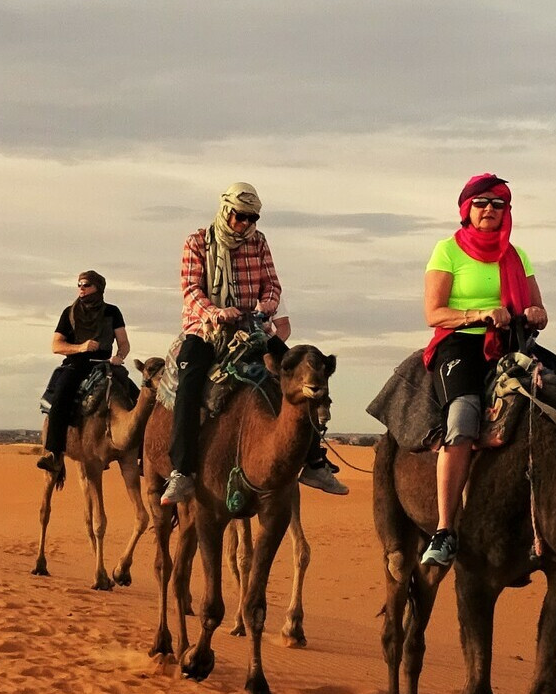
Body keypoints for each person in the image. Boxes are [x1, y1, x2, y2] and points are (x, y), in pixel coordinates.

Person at [414, 173, 556, 567]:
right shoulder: (447, 251)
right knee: (462, 416)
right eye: (481, 203)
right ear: (466, 209)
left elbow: (538, 309)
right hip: (461, 342)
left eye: (498, 204)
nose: (489, 210)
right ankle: (444, 529)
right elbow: (433, 312)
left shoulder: (516, 254)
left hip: (514, 342)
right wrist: (478, 313)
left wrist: (536, 313)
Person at [162, 182, 344, 503]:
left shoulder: (258, 242)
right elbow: (190, 290)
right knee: (189, 385)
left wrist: (268, 306)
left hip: (251, 327)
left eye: (252, 218)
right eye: (241, 216)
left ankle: (315, 462)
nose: (245, 224)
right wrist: (217, 312)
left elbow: (272, 284)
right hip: (205, 330)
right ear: (226, 210)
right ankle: (182, 472)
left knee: (301, 373)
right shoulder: (197, 243)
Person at [37, 271, 129, 477]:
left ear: (98, 288)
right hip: (77, 364)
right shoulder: (69, 313)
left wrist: (119, 356)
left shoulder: (112, 312)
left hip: (106, 365)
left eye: (86, 284)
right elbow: (56, 345)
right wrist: (81, 347)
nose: (81, 288)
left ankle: (140, 453)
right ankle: (54, 454)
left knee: (137, 396)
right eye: (79, 284)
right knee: (60, 400)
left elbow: (123, 343)